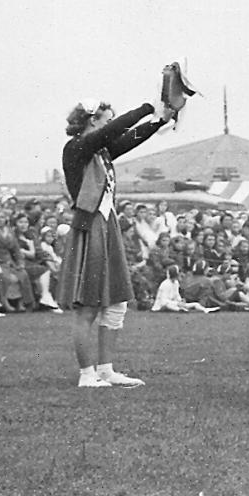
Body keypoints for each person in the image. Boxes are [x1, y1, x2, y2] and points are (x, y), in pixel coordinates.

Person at [56, 96, 176, 388]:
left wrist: (160, 119)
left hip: (105, 225)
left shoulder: (100, 152)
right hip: (90, 226)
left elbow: (130, 137)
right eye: (106, 120)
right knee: (88, 306)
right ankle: (87, 374)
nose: (110, 126)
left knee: (115, 303)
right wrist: (148, 108)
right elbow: (115, 132)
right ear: (92, 121)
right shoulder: (76, 148)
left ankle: (106, 370)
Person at [151, 265, 216, 312]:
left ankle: (205, 310)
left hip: (174, 303)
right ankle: (180, 310)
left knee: (195, 304)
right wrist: (176, 303)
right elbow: (163, 301)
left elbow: (176, 295)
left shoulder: (176, 283)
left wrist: (180, 300)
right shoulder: (165, 284)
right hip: (162, 306)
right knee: (168, 305)